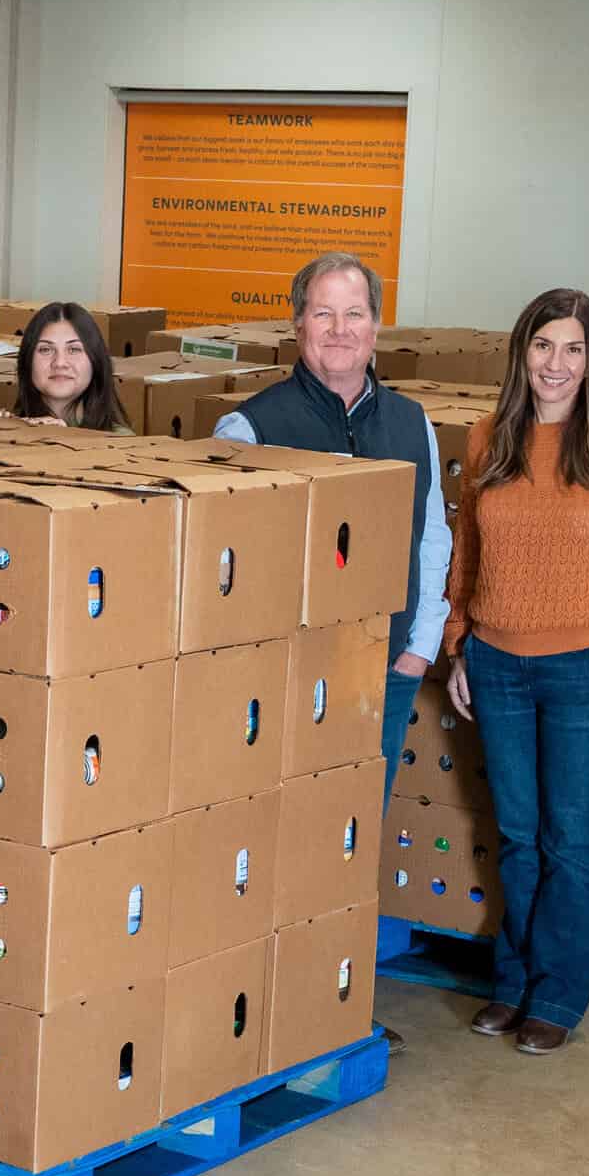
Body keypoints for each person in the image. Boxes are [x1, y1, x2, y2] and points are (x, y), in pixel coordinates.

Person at [437, 290, 589, 1055]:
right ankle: (514, 983)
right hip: (498, 664)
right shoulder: (489, 440)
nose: (557, 364)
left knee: (569, 836)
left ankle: (561, 993)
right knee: (517, 834)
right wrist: (459, 639)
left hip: (585, 671)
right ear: (522, 354)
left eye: (573, 349)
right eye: (544, 347)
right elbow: (467, 550)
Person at [213, 254, 449, 800]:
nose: (340, 331)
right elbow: (224, 565)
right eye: (323, 314)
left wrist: (421, 646)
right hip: (283, 678)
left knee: (361, 835)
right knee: (283, 832)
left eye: (355, 314)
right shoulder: (249, 429)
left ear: (376, 327)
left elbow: (432, 535)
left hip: (388, 668)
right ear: (298, 326)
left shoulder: (413, 424)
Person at [11, 300, 130, 431]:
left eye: (73, 349)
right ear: (27, 361)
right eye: (46, 350)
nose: (60, 363)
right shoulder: (4, 432)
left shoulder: (121, 441)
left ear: (95, 360)